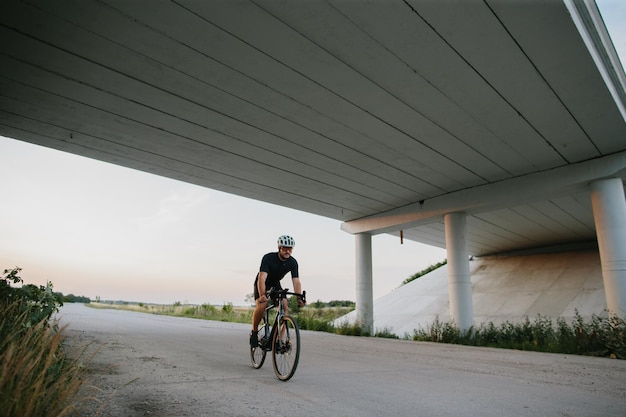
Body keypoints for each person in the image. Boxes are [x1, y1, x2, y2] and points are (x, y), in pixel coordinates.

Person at [250, 235, 305, 347]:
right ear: (279, 248)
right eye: (285, 248)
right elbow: (262, 278)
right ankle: (254, 332)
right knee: (262, 304)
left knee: (284, 306)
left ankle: (278, 339)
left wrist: (299, 297)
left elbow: (296, 281)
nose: (287, 251)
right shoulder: (268, 258)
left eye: (290, 248)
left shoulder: (293, 262)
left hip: (275, 283)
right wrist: (262, 295)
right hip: (262, 283)